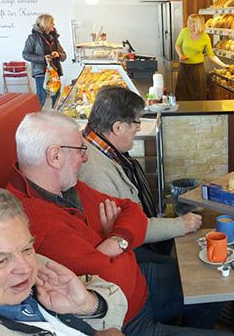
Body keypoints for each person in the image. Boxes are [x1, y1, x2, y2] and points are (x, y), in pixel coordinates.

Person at [6, 111, 230, 336]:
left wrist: (116, 239)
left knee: (214, 282)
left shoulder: (64, 187)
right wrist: (120, 242)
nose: (85, 158)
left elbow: (132, 210)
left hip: (140, 283)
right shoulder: (37, 223)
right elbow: (112, 282)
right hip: (125, 319)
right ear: (54, 156)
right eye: (80, 150)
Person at [0, 188, 126, 336]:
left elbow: (115, 296)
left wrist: (87, 304)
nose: (26, 269)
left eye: (27, 248)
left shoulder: (10, 275)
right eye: (1, 260)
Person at [78, 86, 202, 263]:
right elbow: (127, 228)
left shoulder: (98, 146)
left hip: (134, 243)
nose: (138, 128)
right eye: (136, 123)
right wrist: (181, 224)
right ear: (118, 127)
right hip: (127, 256)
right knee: (187, 270)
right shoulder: (94, 172)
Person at [175, 14, 233, 100]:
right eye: (189, 22)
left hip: (198, 69)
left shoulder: (205, 37)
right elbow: (177, 45)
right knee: (182, 93)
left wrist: (223, 65)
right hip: (184, 68)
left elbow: (211, 56)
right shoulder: (184, 32)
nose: (190, 24)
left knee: (198, 94)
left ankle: (198, 112)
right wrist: (181, 55)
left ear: (199, 24)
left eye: (193, 22)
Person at [23, 14, 67, 109]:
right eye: (51, 22)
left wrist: (58, 54)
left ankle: (56, 117)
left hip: (55, 72)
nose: (53, 24)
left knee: (56, 96)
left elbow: (64, 55)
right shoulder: (32, 38)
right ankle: (34, 119)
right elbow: (25, 54)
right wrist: (43, 58)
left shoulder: (54, 38)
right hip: (41, 72)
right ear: (45, 23)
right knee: (41, 97)